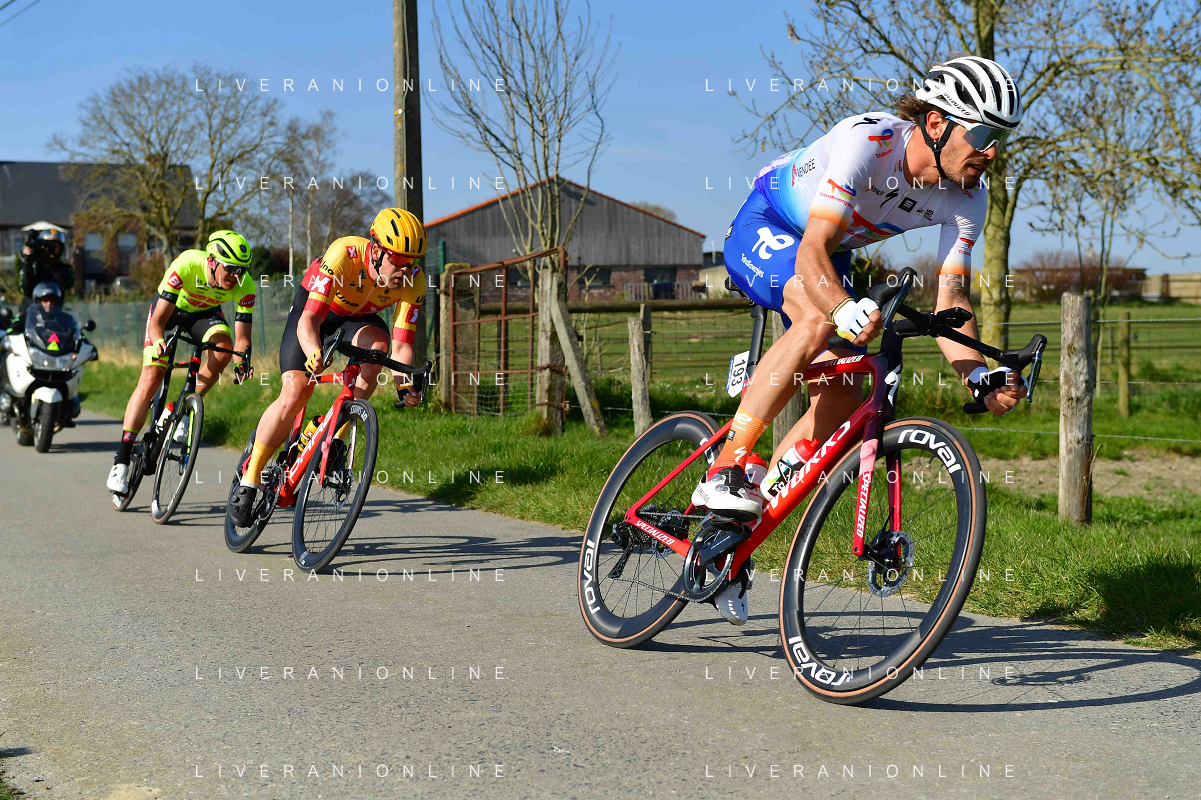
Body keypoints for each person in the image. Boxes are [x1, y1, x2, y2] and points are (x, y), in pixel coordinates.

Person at [695, 55, 1030, 625]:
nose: (993, 152)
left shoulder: (969, 198)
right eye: (983, 135)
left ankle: (732, 538)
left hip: (834, 252)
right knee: (818, 319)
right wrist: (842, 307)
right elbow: (812, 251)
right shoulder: (868, 142)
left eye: (1002, 139)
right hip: (772, 225)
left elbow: (952, 298)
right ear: (936, 123)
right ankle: (726, 466)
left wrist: (977, 373)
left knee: (846, 394)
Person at [226, 208, 427, 527]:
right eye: (399, 260)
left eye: (412, 262)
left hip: (359, 321)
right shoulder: (343, 255)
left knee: (378, 349)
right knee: (296, 391)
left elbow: (402, 347)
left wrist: (405, 384)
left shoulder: (414, 281)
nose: (406, 269)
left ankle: (333, 433)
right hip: (318, 310)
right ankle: (250, 479)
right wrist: (313, 353)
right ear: (376, 251)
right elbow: (309, 321)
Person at [106, 231, 256, 495]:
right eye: (231, 268)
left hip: (205, 315)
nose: (236, 276)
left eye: (242, 270)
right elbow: (157, 321)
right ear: (212, 261)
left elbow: (242, 339)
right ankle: (121, 460)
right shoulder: (187, 264)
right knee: (152, 376)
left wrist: (241, 363)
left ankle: (183, 407)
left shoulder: (245, 286)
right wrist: (157, 342)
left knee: (223, 349)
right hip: (170, 312)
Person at [19, 229, 75, 315]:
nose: (50, 249)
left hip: (55, 314)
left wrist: (51, 262)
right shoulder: (33, 266)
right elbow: (25, 290)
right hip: (30, 315)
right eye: (46, 246)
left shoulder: (65, 268)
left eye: (54, 246)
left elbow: (66, 284)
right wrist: (27, 262)